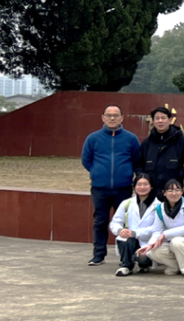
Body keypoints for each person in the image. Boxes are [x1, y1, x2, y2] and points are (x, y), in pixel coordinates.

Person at [82, 104, 141, 266]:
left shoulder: (131, 138)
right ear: (103, 118)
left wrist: (128, 174)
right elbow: (86, 159)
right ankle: (99, 255)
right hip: (100, 188)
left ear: (122, 118)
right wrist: (97, 172)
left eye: (116, 115)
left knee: (126, 222)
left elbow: (137, 160)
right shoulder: (93, 138)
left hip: (123, 188)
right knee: (100, 221)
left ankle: (126, 256)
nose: (112, 118)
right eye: (109, 115)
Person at [138, 179, 184, 279]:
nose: (174, 193)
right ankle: (175, 266)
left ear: (182, 192)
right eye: (170, 190)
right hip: (174, 243)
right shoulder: (160, 208)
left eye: (177, 190)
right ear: (164, 193)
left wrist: (165, 234)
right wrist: (150, 245)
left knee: (177, 241)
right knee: (153, 251)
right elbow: (157, 231)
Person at [135, 106, 184, 201]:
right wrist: (144, 179)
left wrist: (177, 178)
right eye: (157, 118)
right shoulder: (147, 142)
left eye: (163, 118)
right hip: (151, 193)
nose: (160, 121)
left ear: (170, 120)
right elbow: (138, 164)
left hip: (173, 192)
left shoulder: (181, 141)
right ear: (153, 121)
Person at [110, 174, 157, 276]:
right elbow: (115, 222)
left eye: (145, 184)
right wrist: (120, 230)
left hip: (148, 241)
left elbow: (158, 228)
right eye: (139, 184)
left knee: (143, 258)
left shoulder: (158, 206)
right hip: (130, 239)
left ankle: (144, 265)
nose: (142, 187)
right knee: (124, 238)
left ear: (151, 186)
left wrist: (135, 233)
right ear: (134, 187)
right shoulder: (126, 203)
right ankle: (126, 266)